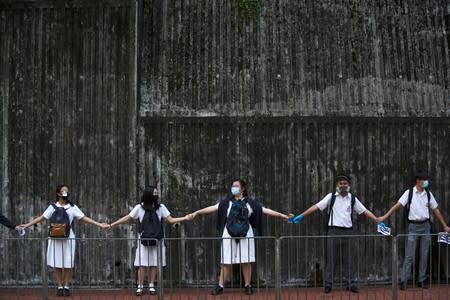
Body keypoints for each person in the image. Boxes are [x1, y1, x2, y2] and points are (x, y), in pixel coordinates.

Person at [188, 179, 289, 295]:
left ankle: (248, 285)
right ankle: (220, 286)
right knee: (226, 260)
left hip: (246, 233)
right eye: (232, 186)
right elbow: (212, 208)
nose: (233, 188)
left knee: (246, 260)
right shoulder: (226, 203)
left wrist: (281, 215)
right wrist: (196, 213)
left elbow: (264, 210)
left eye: (236, 186)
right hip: (228, 233)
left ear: (242, 189)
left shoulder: (250, 203)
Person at [291, 175, 378, 294]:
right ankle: (328, 284)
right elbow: (316, 206)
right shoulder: (331, 197)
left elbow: (364, 210)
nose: (343, 185)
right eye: (340, 183)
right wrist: (301, 216)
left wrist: (377, 219)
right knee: (331, 259)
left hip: (348, 231)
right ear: (336, 185)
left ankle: (351, 283)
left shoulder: (352, 198)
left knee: (350, 259)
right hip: (333, 231)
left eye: (345, 183)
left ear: (348, 185)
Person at [19, 184, 109, 297]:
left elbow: (84, 218)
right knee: (57, 261)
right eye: (63, 191)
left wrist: (100, 224)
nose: (65, 193)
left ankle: (66, 286)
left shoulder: (72, 207)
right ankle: (59, 286)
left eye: (67, 191)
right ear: (58, 193)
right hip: (55, 237)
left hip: (68, 237)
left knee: (68, 261)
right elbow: (42, 217)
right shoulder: (52, 207)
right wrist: (27, 225)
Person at [108, 186, 190, 296]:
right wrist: (112, 224)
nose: (157, 195)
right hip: (143, 240)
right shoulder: (139, 207)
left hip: (157, 240)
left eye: (157, 193)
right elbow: (128, 217)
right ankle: (140, 286)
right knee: (142, 264)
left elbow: (170, 219)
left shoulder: (161, 207)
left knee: (155, 263)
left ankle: (151, 285)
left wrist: (184, 218)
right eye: (155, 193)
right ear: (149, 194)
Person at [377, 172, 450, 290]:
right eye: (423, 180)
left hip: (426, 226)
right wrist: (385, 217)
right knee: (409, 255)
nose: (426, 182)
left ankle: (421, 280)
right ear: (417, 181)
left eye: (426, 179)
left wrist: (445, 226)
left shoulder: (428, 194)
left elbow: (436, 210)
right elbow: (397, 205)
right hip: (413, 226)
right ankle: (403, 280)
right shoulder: (409, 193)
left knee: (424, 254)